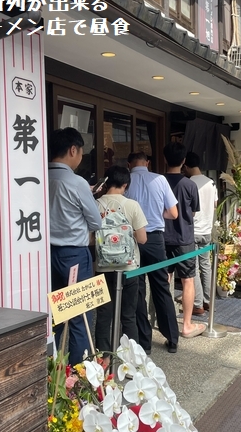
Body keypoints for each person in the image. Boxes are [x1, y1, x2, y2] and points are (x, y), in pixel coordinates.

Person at [49, 127, 102, 366]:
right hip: (74, 256)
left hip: (46, 255)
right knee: (79, 317)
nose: (81, 157)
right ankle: (79, 374)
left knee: (55, 316)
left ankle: (55, 370)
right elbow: (96, 222)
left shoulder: (38, 176)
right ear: (73, 150)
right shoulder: (77, 181)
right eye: (81, 152)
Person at [125, 151, 180, 354]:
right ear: (147, 163)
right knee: (161, 288)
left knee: (137, 290)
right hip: (156, 240)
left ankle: (144, 342)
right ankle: (172, 338)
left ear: (129, 164)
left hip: (133, 239)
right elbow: (174, 213)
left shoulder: (126, 181)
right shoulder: (160, 180)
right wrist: (157, 213)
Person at [95, 165, 147, 356]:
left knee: (103, 315)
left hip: (102, 267)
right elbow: (142, 239)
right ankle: (131, 359)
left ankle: (103, 360)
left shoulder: (96, 204)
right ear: (125, 184)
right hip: (129, 267)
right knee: (128, 315)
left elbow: (91, 239)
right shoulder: (132, 205)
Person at [163, 142, 205, 339]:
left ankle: (163, 320)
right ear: (183, 162)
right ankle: (186, 325)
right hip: (184, 238)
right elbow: (194, 212)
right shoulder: (190, 185)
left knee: (164, 279)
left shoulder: (158, 182)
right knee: (188, 280)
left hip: (162, 237)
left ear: (165, 159)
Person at [183, 151, 218, 314]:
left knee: (193, 267)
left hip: (193, 231)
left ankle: (197, 304)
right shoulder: (211, 183)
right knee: (206, 266)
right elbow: (215, 204)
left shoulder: (188, 183)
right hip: (207, 230)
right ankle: (209, 301)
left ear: (186, 166)